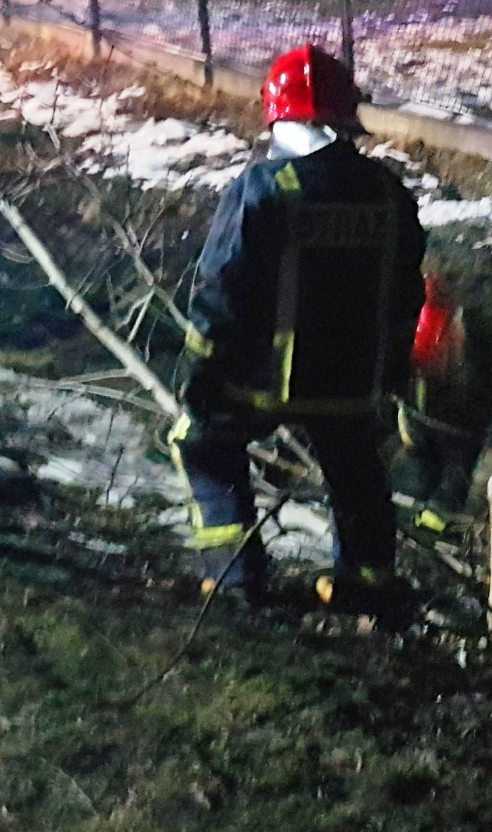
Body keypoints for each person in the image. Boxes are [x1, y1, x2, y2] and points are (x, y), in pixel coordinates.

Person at [169, 44, 425, 610]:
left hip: (264, 380)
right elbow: (408, 294)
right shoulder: (389, 194)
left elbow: (221, 287)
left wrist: (202, 367)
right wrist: (391, 374)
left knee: (201, 443)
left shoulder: (265, 188)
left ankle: (234, 578)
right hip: (354, 384)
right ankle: (370, 586)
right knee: (356, 466)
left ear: (277, 113)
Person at [393, 274, 492, 537]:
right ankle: (434, 530)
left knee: (427, 468)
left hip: (417, 411)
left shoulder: (415, 317)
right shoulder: (447, 320)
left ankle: (415, 524)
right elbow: (459, 366)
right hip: (447, 415)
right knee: (454, 472)